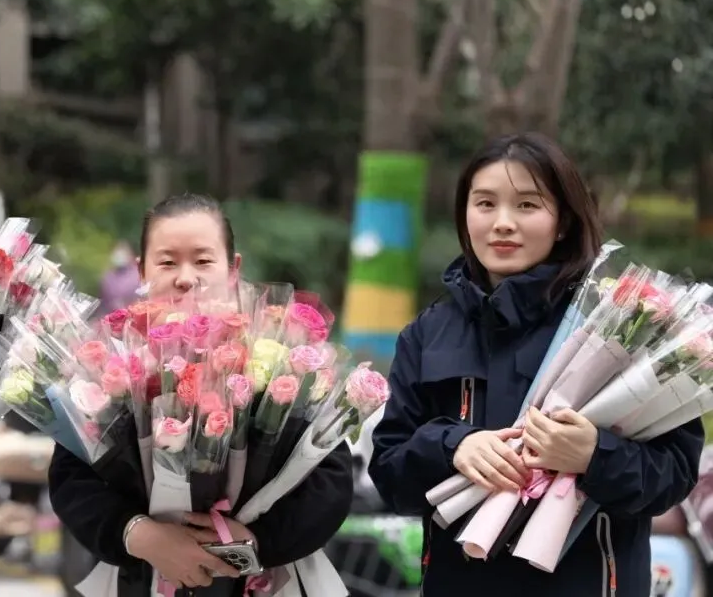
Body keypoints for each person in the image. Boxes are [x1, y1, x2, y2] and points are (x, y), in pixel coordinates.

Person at [368, 132, 704, 596]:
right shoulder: (428, 333)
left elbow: (674, 477)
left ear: (562, 221)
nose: (503, 223)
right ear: (465, 214)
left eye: (527, 205)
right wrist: (452, 447)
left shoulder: (618, 326)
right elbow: (390, 475)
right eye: (485, 204)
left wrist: (594, 455)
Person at [49, 193, 355, 596]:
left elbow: (330, 481)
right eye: (167, 262)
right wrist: (140, 535)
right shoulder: (111, 366)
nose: (185, 277)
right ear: (141, 270)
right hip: (142, 579)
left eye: (203, 260)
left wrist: (259, 541)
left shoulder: (280, 360)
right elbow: (72, 480)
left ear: (233, 268)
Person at [99, 240, 141, 314]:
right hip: (113, 315)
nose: (119, 255)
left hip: (135, 313)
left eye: (123, 252)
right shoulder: (108, 277)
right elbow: (104, 301)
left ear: (130, 254)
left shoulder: (137, 274)